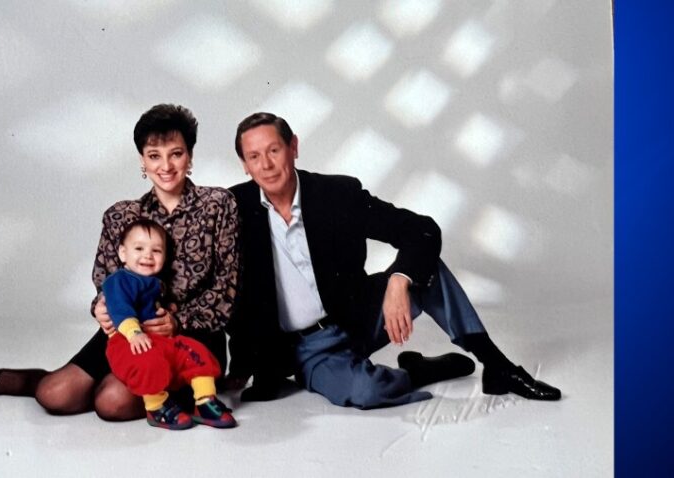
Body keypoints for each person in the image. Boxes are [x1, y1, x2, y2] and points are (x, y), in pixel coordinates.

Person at [226, 112, 561, 409]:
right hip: (310, 347)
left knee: (426, 270)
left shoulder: (337, 194)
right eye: (254, 156)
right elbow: (226, 289)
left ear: (294, 147)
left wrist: (400, 279)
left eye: (274, 150)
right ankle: (417, 371)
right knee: (368, 392)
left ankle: (499, 367)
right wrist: (240, 366)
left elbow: (421, 230)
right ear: (244, 164)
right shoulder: (233, 208)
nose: (266, 165)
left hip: (357, 316)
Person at [0, 104, 240, 421]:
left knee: (112, 403)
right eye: (154, 155)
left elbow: (227, 289)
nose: (166, 165)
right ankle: (36, 380)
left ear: (190, 157)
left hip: (192, 337)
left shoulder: (217, 205)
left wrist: (177, 321)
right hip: (131, 331)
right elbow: (106, 281)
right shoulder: (121, 215)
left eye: (176, 154)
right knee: (54, 395)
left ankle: (155, 391)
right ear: (142, 161)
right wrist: (101, 307)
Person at [103, 218, 236, 429]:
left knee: (195, 351)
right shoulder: (119, 280)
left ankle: (204, 401)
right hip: (128, 339)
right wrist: (134, 332)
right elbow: (120, 308)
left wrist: (169, 311)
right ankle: (156, 407)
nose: (148, 255)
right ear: (122, 253)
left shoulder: (156, 283)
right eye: (139, 248)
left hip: (160, 338)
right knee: (148, 362)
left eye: (156, 251)